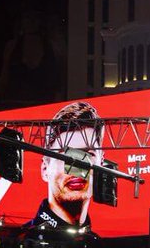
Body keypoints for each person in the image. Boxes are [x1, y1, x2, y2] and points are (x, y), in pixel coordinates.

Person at [22, 101, 103, 237]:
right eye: (65, 156)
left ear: (101, 163)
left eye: (88, 154)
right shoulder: (22, 240)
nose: (76, 167)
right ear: (45, 169)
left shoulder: (101, 247)